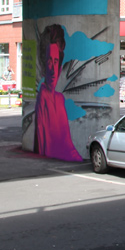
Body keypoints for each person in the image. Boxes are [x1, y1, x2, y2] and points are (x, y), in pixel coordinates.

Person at [33, 24, 82, 161]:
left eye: (56, 62)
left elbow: (67, 144)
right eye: (49, 61)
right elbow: (44, 146)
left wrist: (77, 158)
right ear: (43, 65)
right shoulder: (43, 97)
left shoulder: (60, 99)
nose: (53, 69)